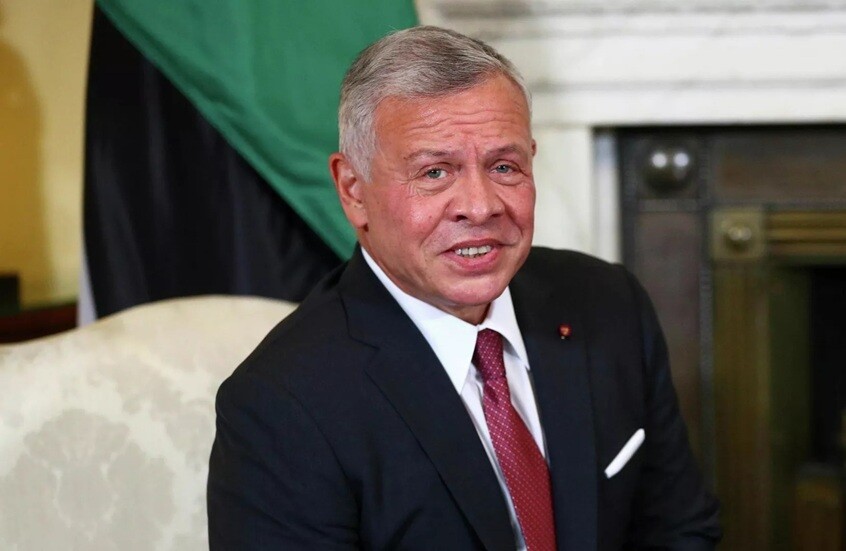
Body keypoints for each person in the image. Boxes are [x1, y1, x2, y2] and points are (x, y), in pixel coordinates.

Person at [207, 25, 720, 550]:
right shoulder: (282, 405)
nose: (480, 206)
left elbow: (680, 531)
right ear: (353, 190)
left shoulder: (607, 302)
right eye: (435, 172)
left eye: (504, 166)